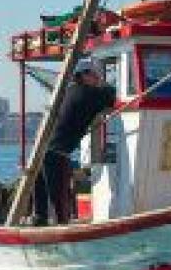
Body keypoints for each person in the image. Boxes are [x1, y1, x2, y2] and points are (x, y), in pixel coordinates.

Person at [35, 57, 116, 225]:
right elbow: (111, 94)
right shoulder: (88, 94)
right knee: (59, 201)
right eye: (95, 75)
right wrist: (106, 85)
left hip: (43, 151)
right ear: (84, 76)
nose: (98, 78)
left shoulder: (71, 91)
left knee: (42, 202)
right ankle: (60, 232)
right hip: (56, 155)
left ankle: (40, 223)